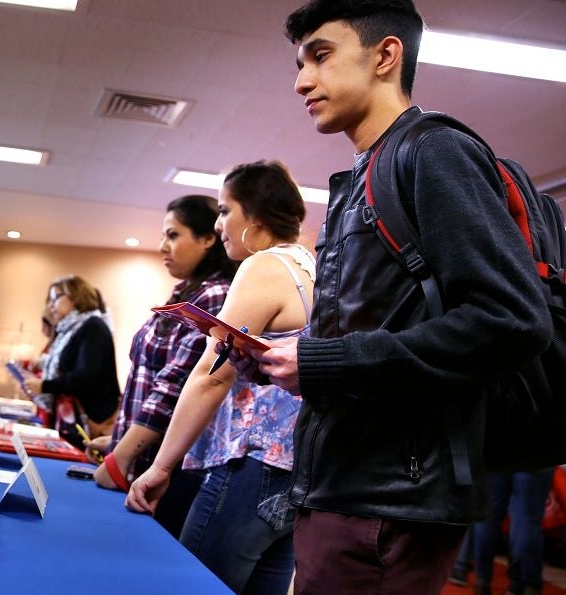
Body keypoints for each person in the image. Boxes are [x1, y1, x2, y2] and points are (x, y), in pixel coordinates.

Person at [232, 1, 551, 592]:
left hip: (393, 501)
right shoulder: (367, 174)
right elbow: (383, 327)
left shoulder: (432, 152)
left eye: (321, 57)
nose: (302, 80)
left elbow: (509, 320)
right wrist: (291, 360)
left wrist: (324, 361)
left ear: (385, 55)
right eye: (301, 63)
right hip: (349, 484)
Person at [127, 161, 314, 594]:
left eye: (226, 210)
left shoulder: (264, 267)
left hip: (253, 464)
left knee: (194, 585)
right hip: (300, 470)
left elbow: (212, 376)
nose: (219, 224)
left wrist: (160, 465)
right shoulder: (312, 267)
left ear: (257, 216)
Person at [85, 194, 234, 541]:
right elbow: (148, 380)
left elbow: (173, 386)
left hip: (168, 468)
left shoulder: (214, 296)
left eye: (173, 235)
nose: (163, 246)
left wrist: (122, 455)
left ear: (207, 238)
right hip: (144, 452)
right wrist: (119, 436)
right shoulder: (187, 292)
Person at [22, 275, 120, 448]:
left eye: (56, 298)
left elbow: (85, 377)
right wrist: (43, 364)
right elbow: (66, 363)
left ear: (75, 297)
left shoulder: (92, 326)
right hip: (69, 417)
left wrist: (45, 386)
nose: (50, 305)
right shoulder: (68, 329)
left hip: (90, 416)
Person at [472, 469, 556, 595]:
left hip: (498, 456)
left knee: (488, 517)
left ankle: (482, 580)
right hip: (537, 458)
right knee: (527, 520)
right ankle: (528, 583)